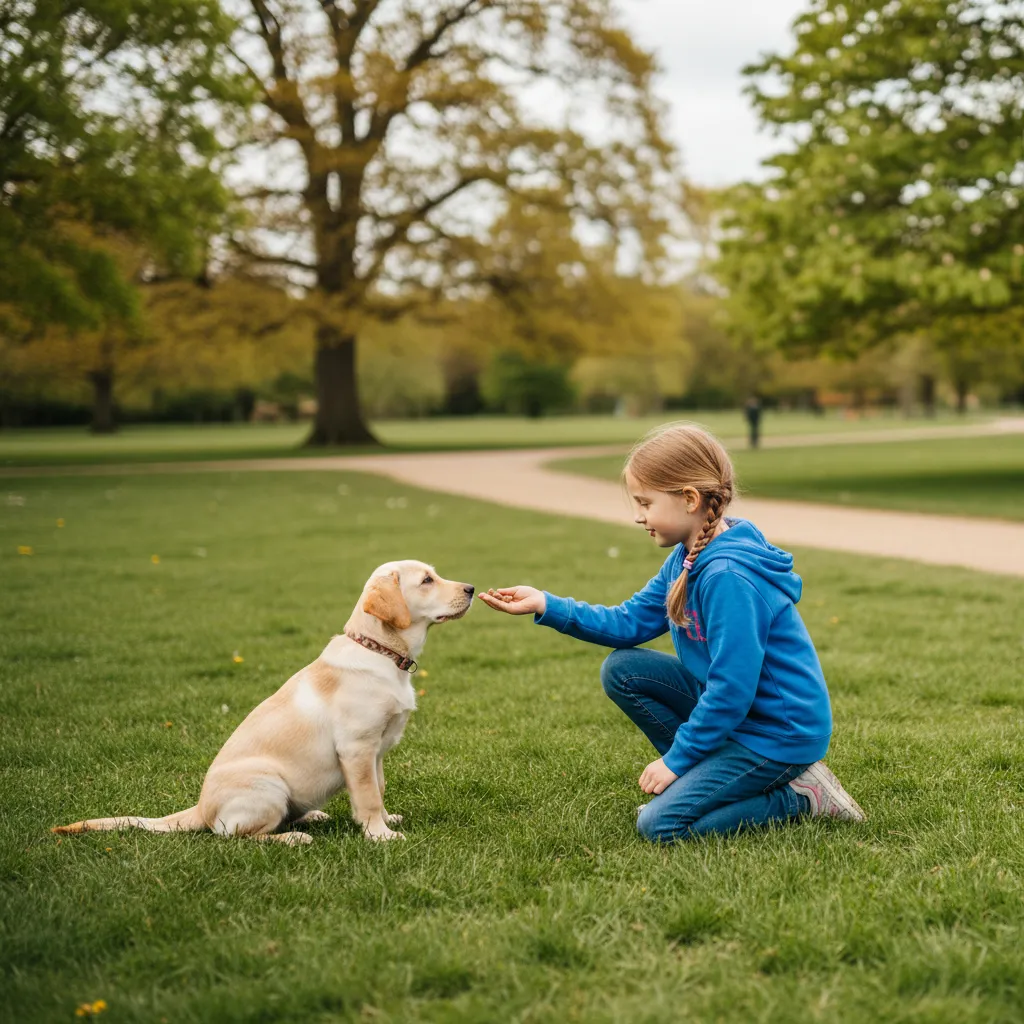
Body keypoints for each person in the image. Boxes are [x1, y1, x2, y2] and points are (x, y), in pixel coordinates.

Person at [478, 423, 865, 843]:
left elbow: (732, 689)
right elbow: (629, 623)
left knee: (660, 825)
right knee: (623, 669)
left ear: (690, 499)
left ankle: (800, 796)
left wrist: (677, 761)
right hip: (742, 718)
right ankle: (714, 777)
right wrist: (546, 605)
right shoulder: (687, 556)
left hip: (777, 733)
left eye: (645, 502)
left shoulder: (728, 576)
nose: (638, 515)